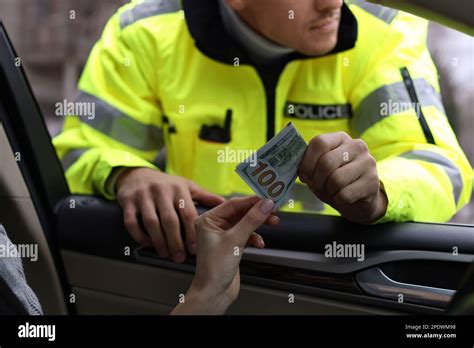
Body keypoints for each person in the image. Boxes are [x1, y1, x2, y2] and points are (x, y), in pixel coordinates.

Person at [53, 0, 472, 263]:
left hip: (330, 279)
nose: (332, 4)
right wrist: (127, 174)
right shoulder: (143, 32)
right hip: (200, 272)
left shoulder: (384, 32)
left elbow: (440, 165)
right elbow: (75, 154)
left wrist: (380, 191)